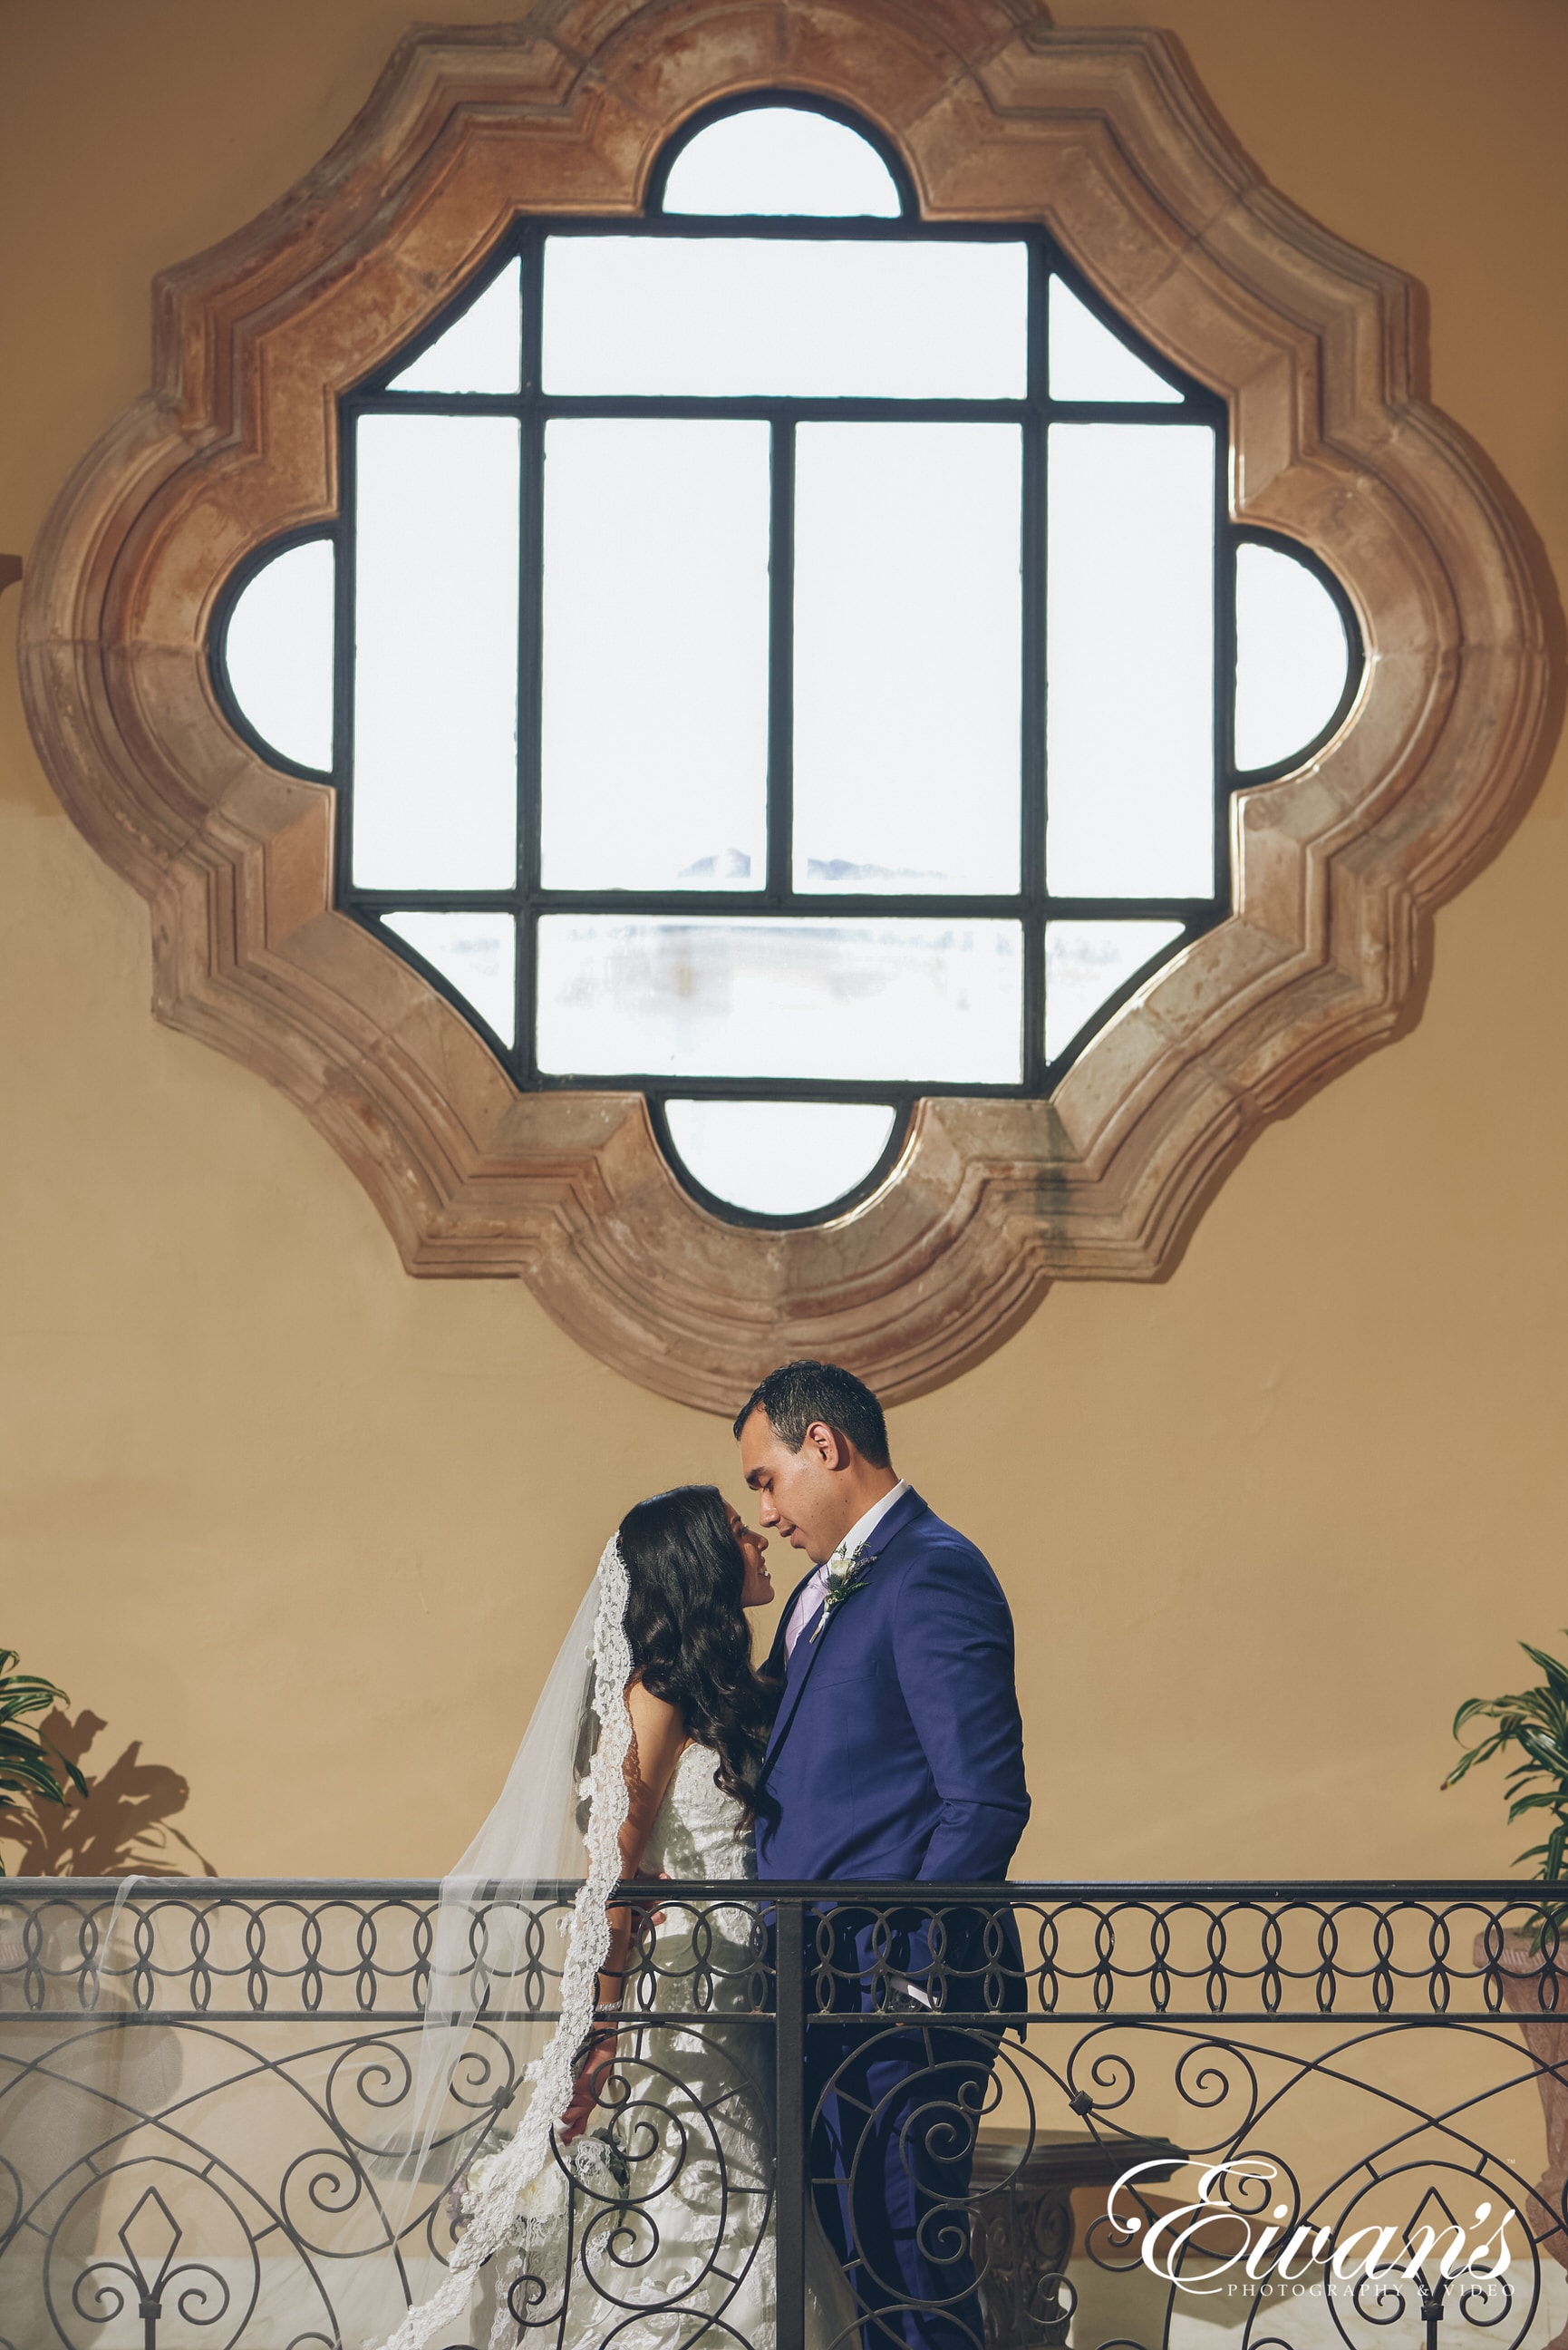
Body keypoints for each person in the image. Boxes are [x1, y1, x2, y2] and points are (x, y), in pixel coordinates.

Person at [377, 1485, 852, 2350]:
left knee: (750, 2183)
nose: (760, 1542)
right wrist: (596, 2028)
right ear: (700, 1566)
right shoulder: (654, 1697)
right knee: (704, 2187)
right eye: (741, 1533)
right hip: (683, 2001)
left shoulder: (723, 1693)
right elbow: (615, 1874)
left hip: (744, 1996)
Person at [738, 1359, 1031, 2350]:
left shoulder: (931, 1568)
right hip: (815, 1991)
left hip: (898, 1994)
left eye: (764, 1478)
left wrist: (908, 1969)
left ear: (823, 1444)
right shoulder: (817, 1593)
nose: (767, 1512)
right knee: (855, 2269)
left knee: (910, 2268)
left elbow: (982, 1801)